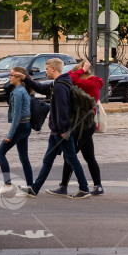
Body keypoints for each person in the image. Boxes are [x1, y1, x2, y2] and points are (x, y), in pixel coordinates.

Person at [17, 58, 91, 199]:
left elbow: (62, 109)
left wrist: (63, 130)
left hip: (61, 131)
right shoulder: (57, 83)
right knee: (48, 160)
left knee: (72, 159)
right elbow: (41, 88)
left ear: (54, 69)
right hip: (56, 131)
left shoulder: (59, 86)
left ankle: (84, 188)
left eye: (47, 69)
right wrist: (25, 78)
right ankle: (35, 189)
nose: (46, 71)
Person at [47, 60, 104, 196]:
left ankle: (65, 186)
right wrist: (80, 70)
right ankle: (98, 186)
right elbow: (67, 76)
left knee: (70, 155)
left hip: (82, 125)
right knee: (89, 157)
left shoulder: (89, 83)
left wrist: (80, 70)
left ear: (82, 74)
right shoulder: (91, 81)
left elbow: (69, 77)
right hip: (87, 124)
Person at [0, 66, 33, 194]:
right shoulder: (23, 90)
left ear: (18, 77)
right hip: (26, 126)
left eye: (11, 75)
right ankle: (30, 186)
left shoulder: (18, 92)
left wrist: (10, 135)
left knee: (0, 153)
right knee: (24, 157)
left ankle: (7, 184)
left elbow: (17, 116)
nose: (9, 77)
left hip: (20, 127)